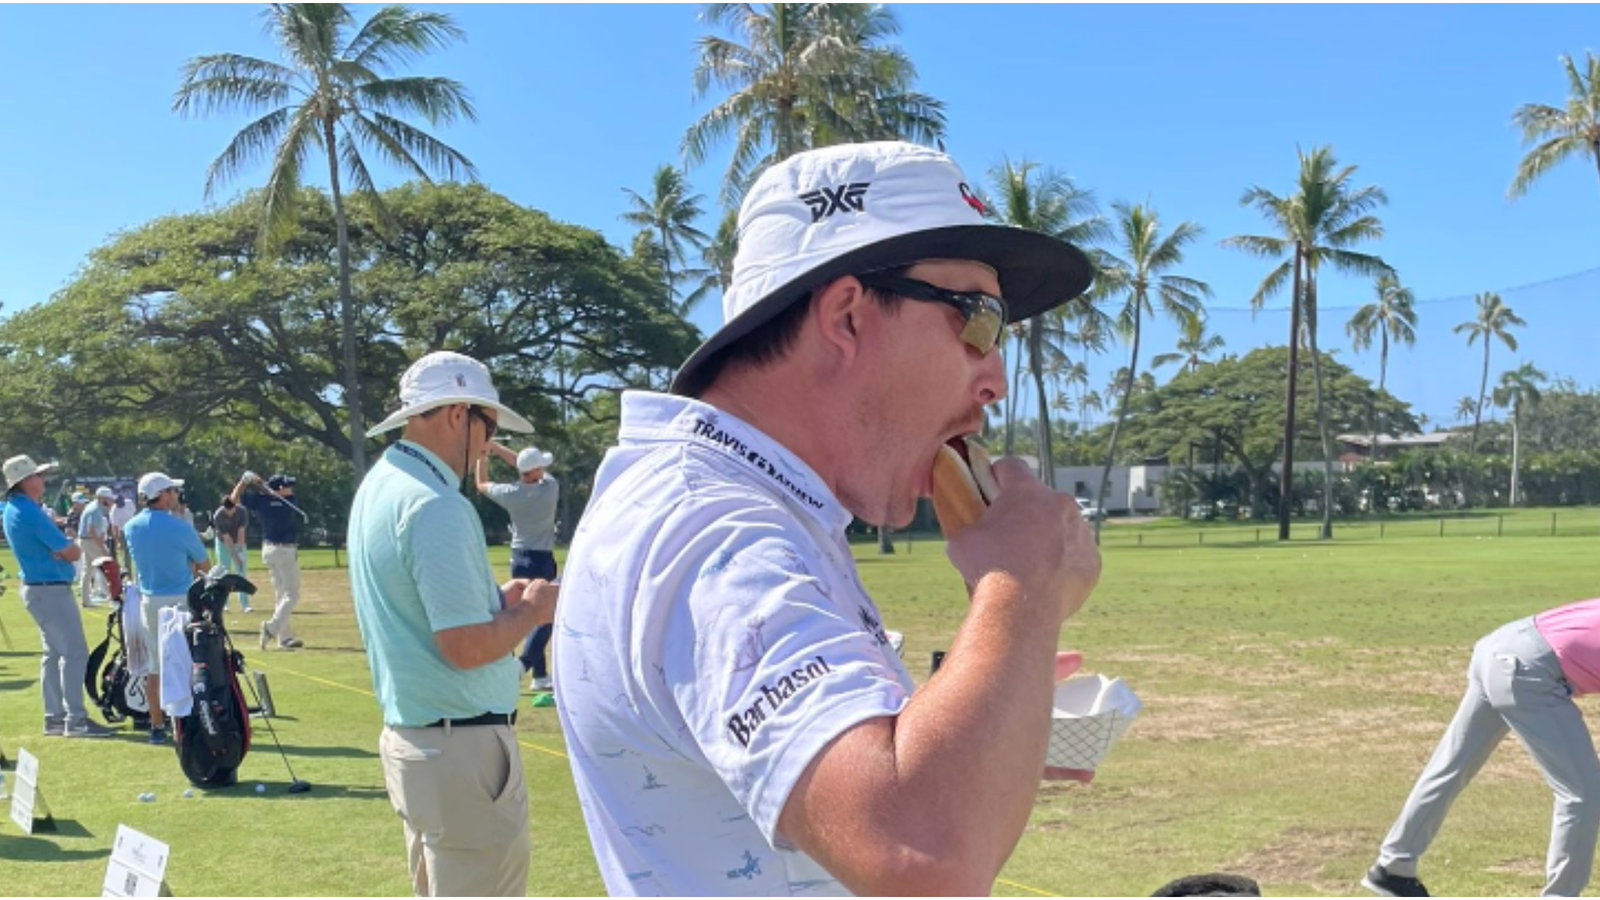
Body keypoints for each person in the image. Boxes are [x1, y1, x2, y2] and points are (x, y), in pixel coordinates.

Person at [552, 141, 1102, 895]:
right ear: (846, 315)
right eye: (978, 320)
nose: (996, 377)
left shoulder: (747, 504)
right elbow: (919, 851)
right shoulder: (713, 529)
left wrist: (992, 728)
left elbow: (848, 779)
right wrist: (1021, 587)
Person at [349, 350, 557, 897]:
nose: (489, 443)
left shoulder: (380, 486)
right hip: (462, 750)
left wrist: (499, 602)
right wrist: (531, 612)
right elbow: (464, 647)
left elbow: (427, 611)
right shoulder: (437, 503)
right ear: (457, 413)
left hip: (420, 742)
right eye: (488, 425)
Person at [1366, 598, 1600, 898]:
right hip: (1528, 669)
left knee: (1450, 769)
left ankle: (1393, 867)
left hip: (1498, 648)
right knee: (1583, 793)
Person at [2, 455, 116, 738]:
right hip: (49, 588)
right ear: (26, 481)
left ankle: (55, 717)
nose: (43, 480)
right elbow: (72, 552)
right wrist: (66, 548)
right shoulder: (28, 511)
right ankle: (75, 719)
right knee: (74, 652)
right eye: (38, 476)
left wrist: (64, 548)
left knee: (53, 654)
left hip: (40, 587)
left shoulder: (16, 508)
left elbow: (65, 549)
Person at [123, 470, 210, 745]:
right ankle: (188, 722)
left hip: (149, 601)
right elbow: (205, 564)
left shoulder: (131, 527)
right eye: (172, 491)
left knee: (155, 666)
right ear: (162, 495)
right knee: (187, 662)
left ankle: (158, 726)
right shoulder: (181, 527)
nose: (176, 495)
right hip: (180, 600)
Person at [475, 442, 560, 690]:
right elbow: (523, 466)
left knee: (523, 611)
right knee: (544, 615)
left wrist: (485, 452)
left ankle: (541, 676)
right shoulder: (550, 488)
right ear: (534, 472)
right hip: (542, 559)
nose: (543, 469)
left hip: (519, 558)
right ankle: (522, 666)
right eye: (540, 467)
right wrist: (499, 448)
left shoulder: (511, 493)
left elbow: (481, 483)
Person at [230, 472, 302, 649]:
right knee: (292, 594)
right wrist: (259, 484)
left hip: (269, 550)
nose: (290, 489)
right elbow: (231, 503)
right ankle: (271, 627)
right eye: (286, 486)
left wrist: (244, 481)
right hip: (284, 550)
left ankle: (284, 638)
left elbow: (233, 499)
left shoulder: (264, 501)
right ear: (278, 489)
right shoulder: (290, 503)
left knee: (281, 594)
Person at [211, 493, 252, 613]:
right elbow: (227, 538)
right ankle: (224, 604)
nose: (230, 512)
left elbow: (241, 532)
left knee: (241, 571)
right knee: (224, 572)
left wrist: (240, 552)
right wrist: (234, 556)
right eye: (228, 510)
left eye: (232, 509)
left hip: (238, 542)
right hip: (223, 543)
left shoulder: (242, 511)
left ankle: (245, 605)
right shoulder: (218, 516)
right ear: (223, 507)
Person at [77, 486, 116, 607]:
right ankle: (112, 598)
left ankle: (86, 600)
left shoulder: (94, 507)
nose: (110, 502)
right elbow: (91, 531)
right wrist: (102, 547)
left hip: (86, 541)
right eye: (108, 499)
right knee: (107, 569)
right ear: (102, 498)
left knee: (88, 571)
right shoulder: (95, 510)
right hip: (91, 541)